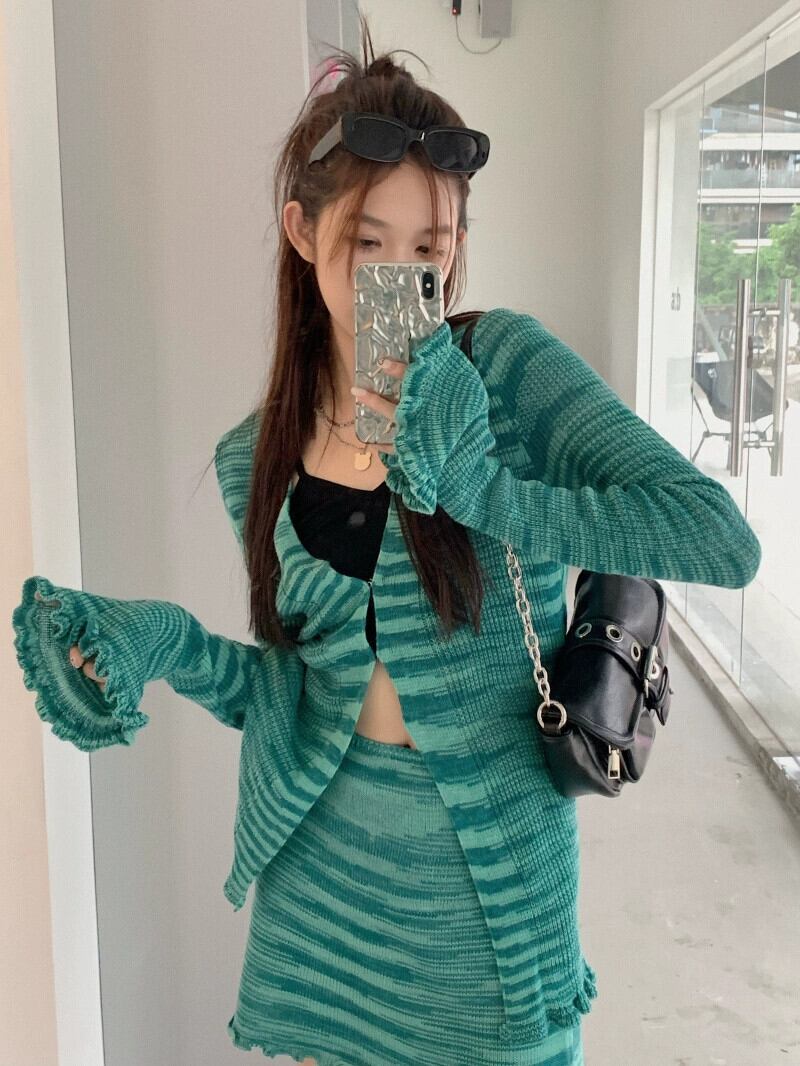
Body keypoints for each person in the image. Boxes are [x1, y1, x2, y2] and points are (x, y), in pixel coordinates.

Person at [13, 12, 761, 1066]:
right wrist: (169, 643)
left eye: (429, 249)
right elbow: (297, 693)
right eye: (368, 244)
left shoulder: (504, 370)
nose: (399, 280)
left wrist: (485, 490)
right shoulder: (254, 456)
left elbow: (718, 540)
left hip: (489, 906)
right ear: (300, 229)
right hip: (324, 900)